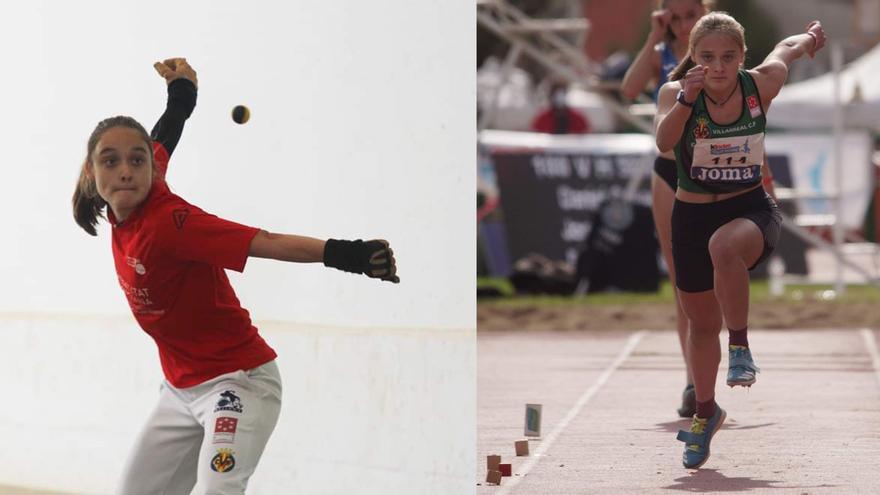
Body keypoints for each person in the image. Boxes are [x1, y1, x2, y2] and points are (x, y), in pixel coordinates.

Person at [71, 58, 399, 494]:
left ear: (151, 167)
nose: (126, 170)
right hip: (180, 390)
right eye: (111, 161)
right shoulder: (136, 187)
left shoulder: (172, 222)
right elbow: (167, 132)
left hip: (238, 383)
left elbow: (267, 241)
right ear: (92, 172)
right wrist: (183, 92)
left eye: (137, 160)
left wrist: (347, 254)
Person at [654, 14, 825, 468]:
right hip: (691, 216)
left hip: (749, 210)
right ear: (694, 58)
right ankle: (706, 414)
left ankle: (742, 347)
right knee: (700, 325)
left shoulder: (761, 84)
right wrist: (687, 101)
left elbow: (786, 49)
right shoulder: (677, 93)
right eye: (707, 57)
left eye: (728, 57)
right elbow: (663, 142)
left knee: (724, 248)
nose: (718, 67)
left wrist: (809, 38)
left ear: (742, 58)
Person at [621, 1, 777, 419]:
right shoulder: (667, 59)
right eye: (674, 15)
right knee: (684, 286)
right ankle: (695, 381)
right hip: (675, 175)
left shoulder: (721, 48)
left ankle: (730, 349)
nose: (683, 20)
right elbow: (628, 90)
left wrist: (764, 171)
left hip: (725, 176)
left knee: (721, 263)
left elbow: (746, 127)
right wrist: (654, 37)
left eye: (690, 12)